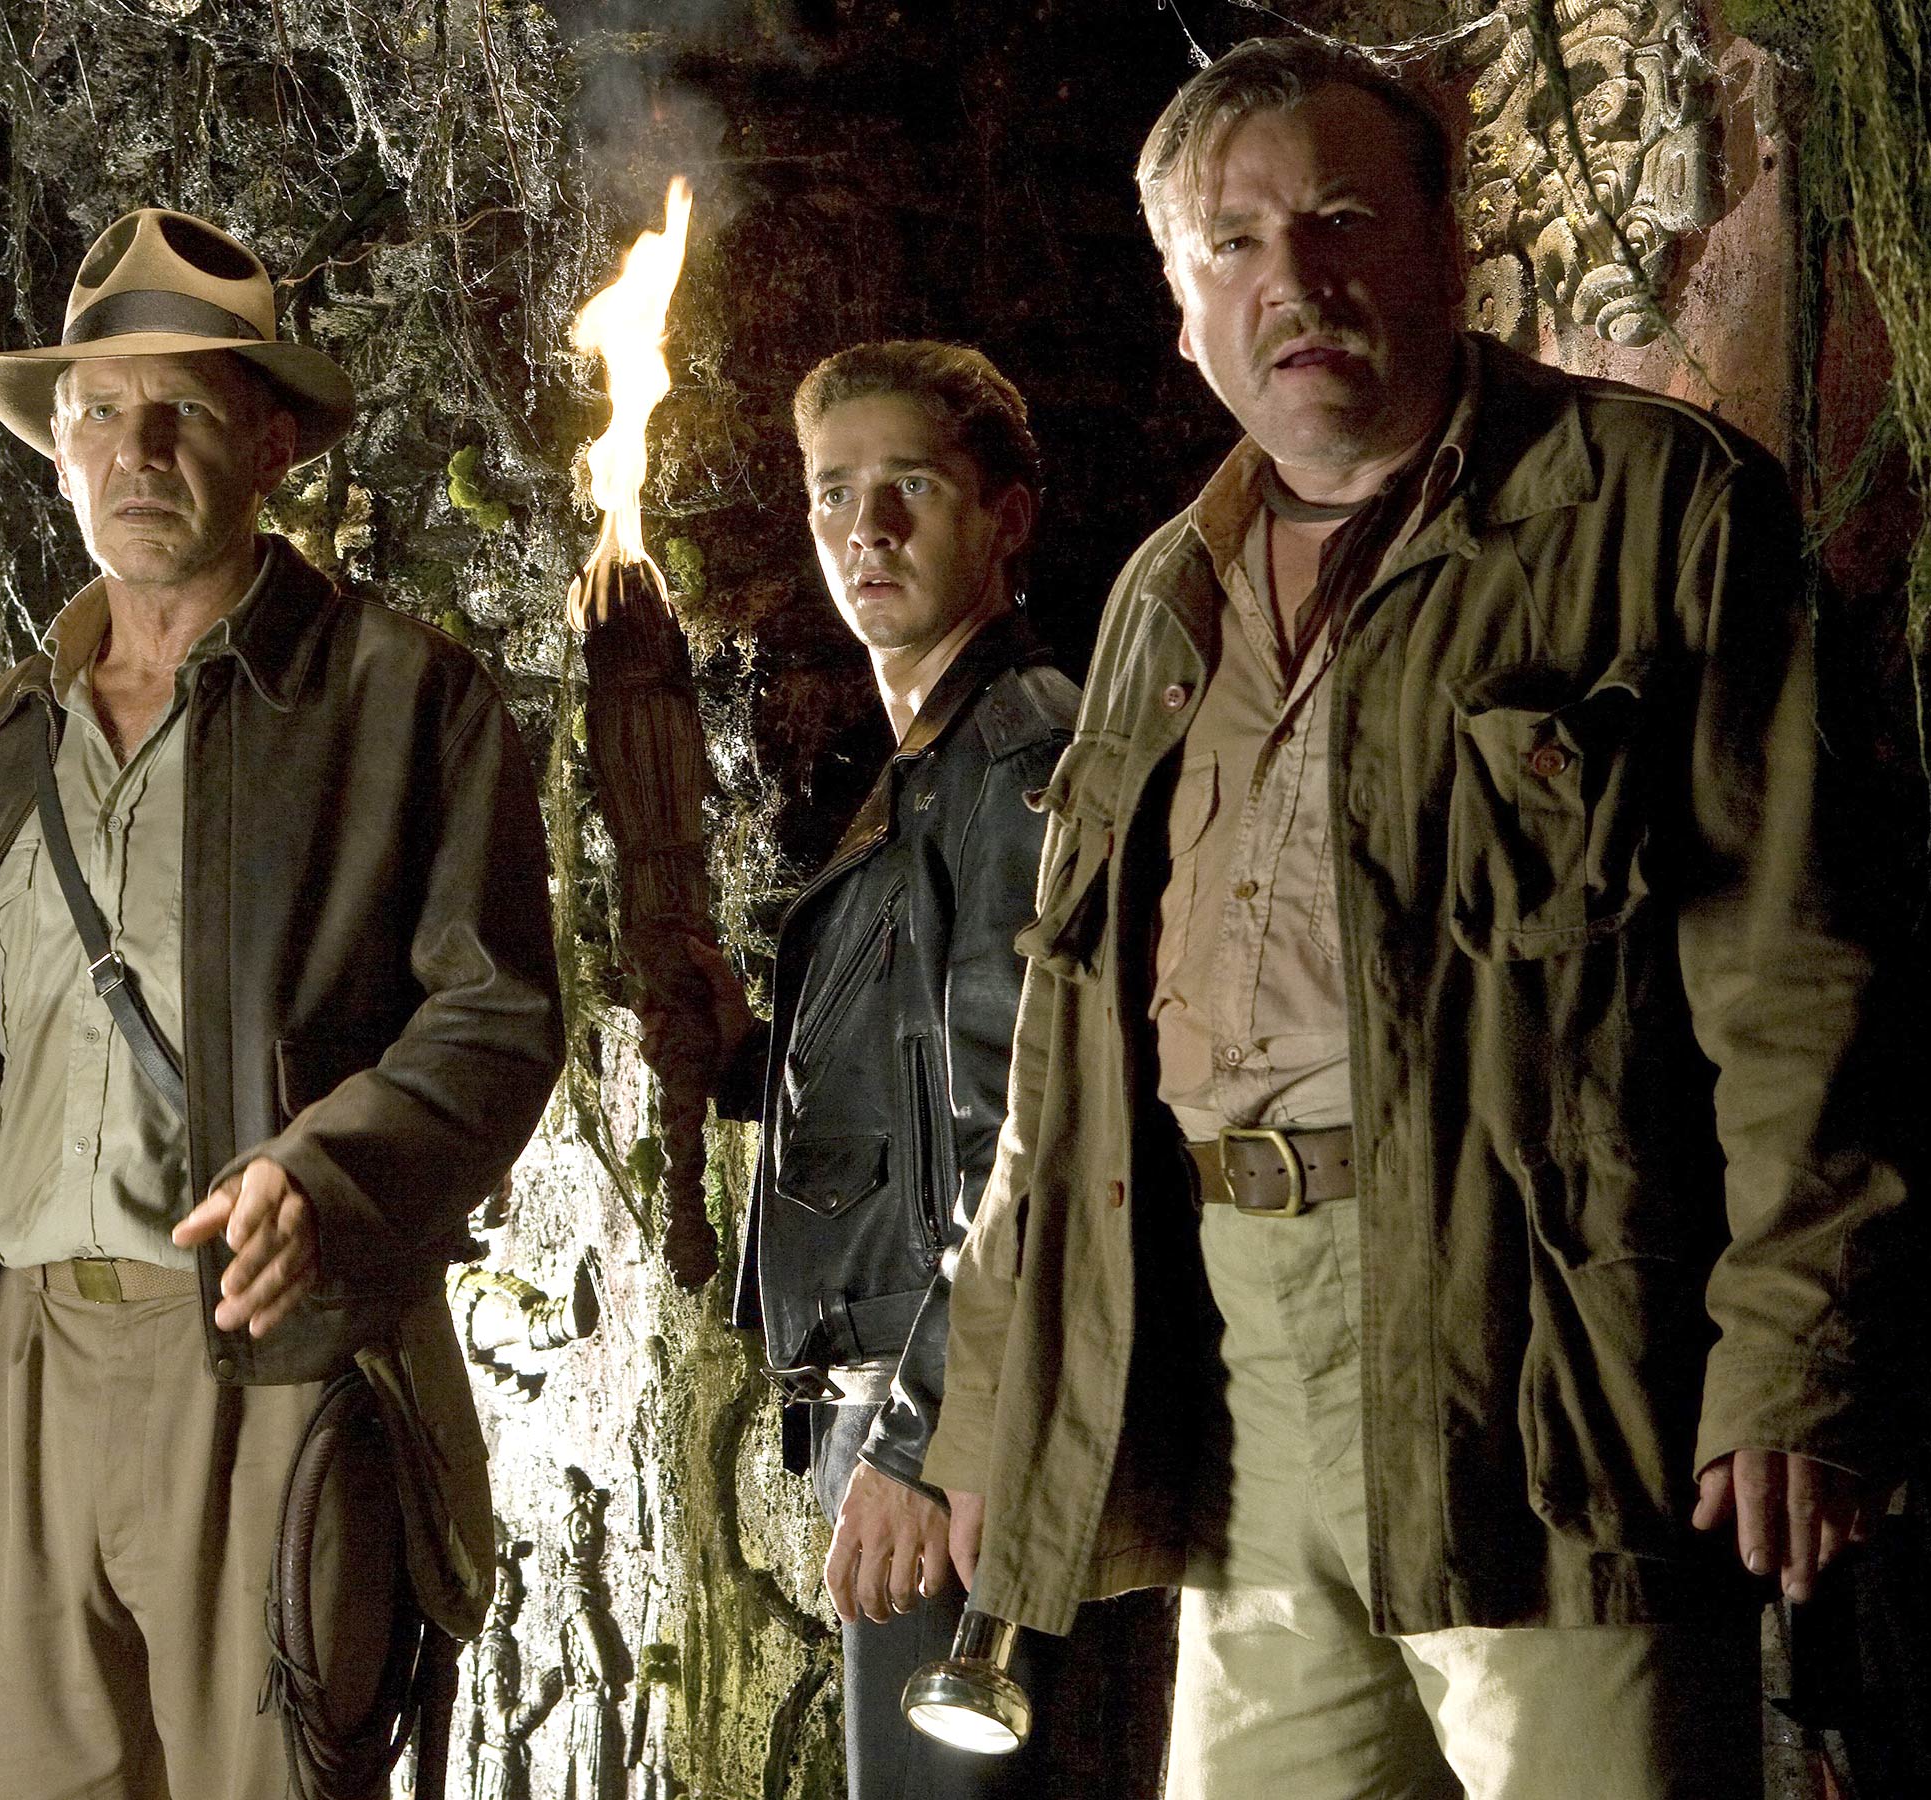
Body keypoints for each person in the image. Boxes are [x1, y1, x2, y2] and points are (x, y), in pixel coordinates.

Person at [927, 37, 1907, 1800]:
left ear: (1448, 245)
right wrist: (990, 1407)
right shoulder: (1166, 594)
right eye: (1233, 245)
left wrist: (1795, 1354)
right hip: (1232, 1371)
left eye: (1342, 219)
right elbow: (1064, 1054)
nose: (1293, 281)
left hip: (1538, 1351)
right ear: (1182, 312)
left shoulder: (1651, 507)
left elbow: (1798, 977)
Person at [0, 205, 562, 1797]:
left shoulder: (403, 698)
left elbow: (498, 1015)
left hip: (263, 1355)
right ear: (60, 457)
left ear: (271, 443)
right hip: (25, 1365)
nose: (140, 447)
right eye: (100, 412)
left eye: (185, 407)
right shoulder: (4, 738)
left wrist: (326, 1176)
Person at [712, 341, 1167, 1796]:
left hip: (963, 1418)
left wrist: (917, 1439)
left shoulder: (1017, 764)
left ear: (1005, 516)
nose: (869, 529)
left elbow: (1024, 1131)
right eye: (833, 493)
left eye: (911, 486)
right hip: (917, 1402)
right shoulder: (929, 768)